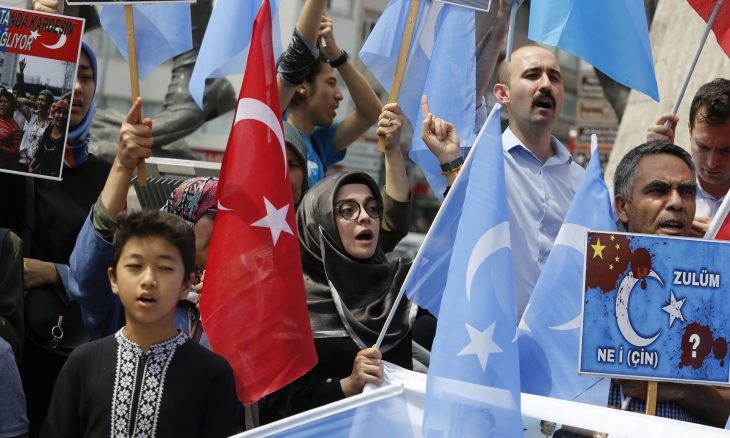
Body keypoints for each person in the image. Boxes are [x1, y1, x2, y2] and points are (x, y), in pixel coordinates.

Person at [263, 104, 414, 422]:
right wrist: (348, 385)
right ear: (321, 224)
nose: (364, 217)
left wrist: (447, 164)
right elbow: (279, 406)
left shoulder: (400, 287)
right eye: (347, 210)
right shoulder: (289, 302)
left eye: (372, 208)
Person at [41, 209, 238, 438]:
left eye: (164, 268)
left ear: (186, 284)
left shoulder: (213, 374)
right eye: (135, 266)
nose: (148, 280)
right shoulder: (83, 364)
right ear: (114, 279)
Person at [422, 44, 584, 318]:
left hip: (558, 336)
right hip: (491, 334)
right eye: (532, 75)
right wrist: (449, 161)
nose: (546, 84)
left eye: (554, 77)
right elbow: (462, 231)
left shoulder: (584, 183)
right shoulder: (481, 164)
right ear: (502, 94)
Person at [0, 42, 112, 437]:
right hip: (13, 344)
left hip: (74, 343)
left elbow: (117, 268)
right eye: (68, 75)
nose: (77, 87)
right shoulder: (15, 163)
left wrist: (55, 273)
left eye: (87, 76)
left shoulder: (109, 177)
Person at [610, 140, 730, 427]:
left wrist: (679, 389)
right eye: (658, 190)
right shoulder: (590, 281)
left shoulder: (717, 286)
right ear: (623, 206)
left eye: (686, 191)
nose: (676, 202)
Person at [278, 0, 382, 187]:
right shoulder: (271, 127)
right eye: (331, 83)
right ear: (302, 86)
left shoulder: (319, 144)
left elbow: (372, 114)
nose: (339, 95)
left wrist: (337, 56)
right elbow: (300, 51)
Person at [646, 78, 730, 236]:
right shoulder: (659, 182)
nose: (712, 163)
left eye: (726, 150)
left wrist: (724, 237)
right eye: (703, 147)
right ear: (690, 130)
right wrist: (649, 163)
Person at [29, 100, 69, 177]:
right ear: (54, 114)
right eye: (59, 112)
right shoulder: (49, 129)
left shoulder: (67, 135)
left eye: (64, 113)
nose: (61, 116)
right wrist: (31, 166)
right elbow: (41, 149)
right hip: (41, 172)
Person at [18, 89, 53, 169]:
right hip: (23, 159)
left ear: (49, 103)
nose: (40, 102)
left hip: (37, 164)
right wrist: (36, 104)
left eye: (43, 100)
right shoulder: (32, 115)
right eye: (39, 99)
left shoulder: (52, 122)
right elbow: (19, 100)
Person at [0, 89, 22, 171]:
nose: (2, 104)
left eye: (5, 102)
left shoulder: (15, 128)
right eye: (0, 102)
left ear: (12, 106)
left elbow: (16, 151)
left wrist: (1, 148)